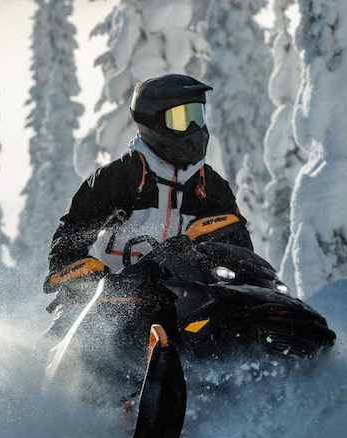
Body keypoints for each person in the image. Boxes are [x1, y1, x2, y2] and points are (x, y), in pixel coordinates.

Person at [43, 73, 253, 341]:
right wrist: (80, 276)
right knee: (68, 339)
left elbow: (238, 247)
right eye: (181, 119)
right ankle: (46, 376)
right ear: (152, 121)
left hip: (182, 303)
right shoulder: (117, 178)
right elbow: (72, 233)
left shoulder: (211, 187)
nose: (193, 129)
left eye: (197, 116)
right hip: (111, 300)